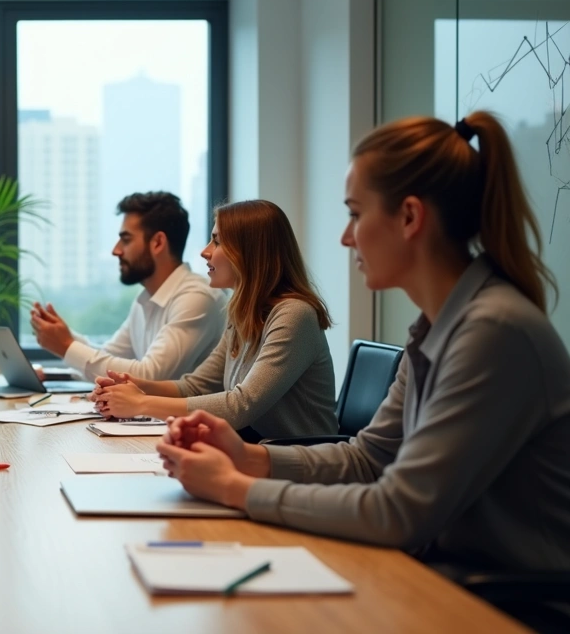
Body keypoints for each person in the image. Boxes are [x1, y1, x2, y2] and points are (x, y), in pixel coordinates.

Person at [156, 112, 570, 578]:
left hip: (508, 606)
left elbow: (398, 512)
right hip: (444, 578)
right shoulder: (437, 327)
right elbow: (368, 458)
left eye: (355, 213)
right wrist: (247, 456)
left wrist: (236, 488)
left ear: (410, 217)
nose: (345, 236)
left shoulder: (495, 332)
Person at [92, 200, 338, 442]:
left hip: (298, 462)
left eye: (217, 241)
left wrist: (140, 403)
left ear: (249, 252)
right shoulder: (243, 312)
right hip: (257, 452)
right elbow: (196, 386)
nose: (205, 251)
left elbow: (240, 407)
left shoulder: (294, 315)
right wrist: (136, 386)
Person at [29, 192, 226, 381]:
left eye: (126, 239)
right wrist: (63, 337)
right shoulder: (146, 299)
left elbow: (151, 376)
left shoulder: (197, 297)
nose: (116, 250)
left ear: (157, 243)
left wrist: (66, 346)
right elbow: (108, 356)